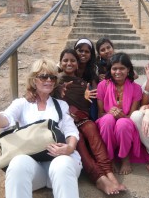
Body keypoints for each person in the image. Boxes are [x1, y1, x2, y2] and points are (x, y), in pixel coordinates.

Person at [0, 59, 82, 198]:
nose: (49, 80)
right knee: (18, 163)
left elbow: (71, 130)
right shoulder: (22, 104)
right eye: (43, 76)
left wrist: (69, 148)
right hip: (34, 169)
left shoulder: (61, 105)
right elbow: (1, 122)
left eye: (52, 77)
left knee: (62, 163)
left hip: (61, 164)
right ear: (34, 80)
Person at [54, 48, 126, 195]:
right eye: (65, 60)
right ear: (60, 63)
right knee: (79, 142)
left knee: (92, 128)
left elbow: (85, 107)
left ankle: (109, 173)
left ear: (77, 63)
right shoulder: (55, 81)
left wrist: (87, 99)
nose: (69, 63)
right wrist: (58, 90)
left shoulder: (82, 83)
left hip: (82, 120)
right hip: (66, 125)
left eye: (72, 60)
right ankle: (99, 178)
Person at [96, 52, 149, 175]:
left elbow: (132, 115)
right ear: (110, 69)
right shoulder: (102, 85)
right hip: (106, 121)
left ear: (128, 69)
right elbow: (100, 114)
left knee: (122, 123)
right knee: (108, 120)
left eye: (122, 68)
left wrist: (122, 116)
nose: (118, 72)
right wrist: (109, 112)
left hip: (126, 121)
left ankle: (125, 158)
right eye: (114, 68)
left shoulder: (135, 88)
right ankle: (110, 158)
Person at [74, 38, 99, 121]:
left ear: (91, 54)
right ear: (75, 52)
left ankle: (93, 119)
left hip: (86, 95)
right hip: (71, 93)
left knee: (92, 92)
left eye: (87, 51)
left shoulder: (93, 68)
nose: (83, 54)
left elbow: (95, 90)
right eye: (80, 51)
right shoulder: (68, 63)